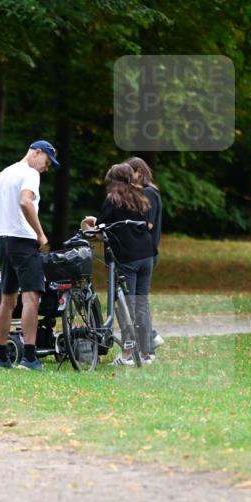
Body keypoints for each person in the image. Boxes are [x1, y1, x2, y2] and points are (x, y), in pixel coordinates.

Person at [0, 140, 59, 371]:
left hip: (4, 242)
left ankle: (1, 357)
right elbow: (25, 201)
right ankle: (29, 358)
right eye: (47, 161)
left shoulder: (4, 173)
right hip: (23, 240)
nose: (46, 167)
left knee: (7, 297)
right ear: (37, 153)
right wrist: (40, 234)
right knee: (31, 297)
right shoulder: (30, 173)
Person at [81, 162, 155, 365]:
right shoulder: (142, 197)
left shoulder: (112, 200)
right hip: (146, 255)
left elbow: (101, 232)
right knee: (141, 303)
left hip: (126, 258)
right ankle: (147, 352)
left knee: (125, 307)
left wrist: (90, 225)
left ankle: (127, 355)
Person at [128, 156, 164, 354]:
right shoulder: (151, 192)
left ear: (139, 172)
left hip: (142, 253)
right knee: (139, 301)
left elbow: (147, 224)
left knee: (136, 301)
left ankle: (149, 339)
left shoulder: (148, 193)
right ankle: (148, 344)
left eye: (130, 173)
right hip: (147, 253)